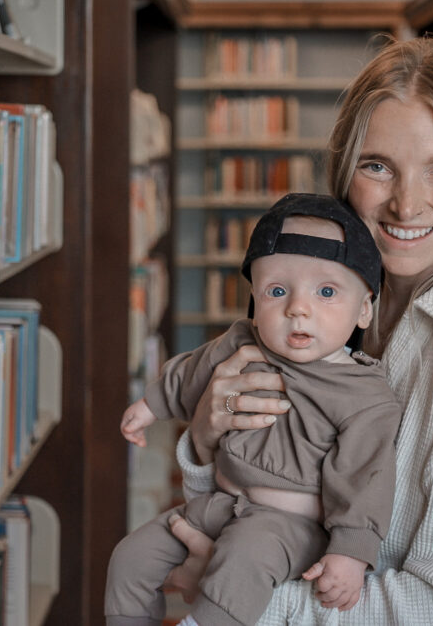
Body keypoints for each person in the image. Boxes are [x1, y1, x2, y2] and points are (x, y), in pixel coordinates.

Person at [164, 36, 433, 625]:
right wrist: (202, 442)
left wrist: (248, 600)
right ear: (344, 175)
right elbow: (258, 513)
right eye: (378, 167)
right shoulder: (336, 319)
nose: (406, 203)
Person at [106, 194, 404, 626]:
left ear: (363, 310)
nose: (297, 308)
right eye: (277, 290)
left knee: (241, 564)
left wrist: (349, 552)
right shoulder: (243, 343)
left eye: (326, 292)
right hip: (222, 503)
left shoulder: (365, 396)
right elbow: (193, 372)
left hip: (289, 527)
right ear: (254, 299)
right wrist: (152, 403)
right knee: (130, 557)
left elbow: (366, 479)